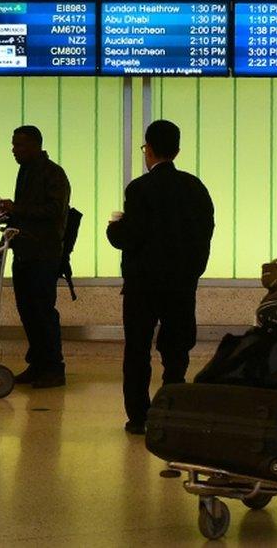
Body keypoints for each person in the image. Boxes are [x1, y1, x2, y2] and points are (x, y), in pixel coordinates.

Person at [106, 120, 214, 435]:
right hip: (181, 282)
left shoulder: (139, 189)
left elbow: (131, 235)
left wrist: (114, 229)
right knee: (177, 346)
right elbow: (204, 233)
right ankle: (173, 404)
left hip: (143, 283)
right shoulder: (195, 188)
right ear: (177, 149)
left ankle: (139, 416)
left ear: (148, 150)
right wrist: (193, 271)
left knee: (138, 349)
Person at [0, 125, 71, 389]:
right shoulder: (26, 171)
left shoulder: (53, 174)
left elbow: (53, 210)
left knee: (42, 310)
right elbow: (30, 211)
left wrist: (19, 209)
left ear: (36, 145)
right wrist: (9, 216)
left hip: (44, 254)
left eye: (20, 145)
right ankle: (38, 363)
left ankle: (54, 367)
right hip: (25, 251)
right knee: (27, 310)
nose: (14, 150)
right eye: (13, 144)